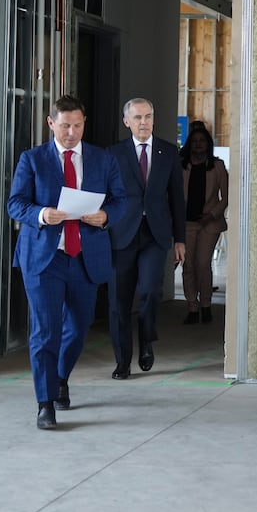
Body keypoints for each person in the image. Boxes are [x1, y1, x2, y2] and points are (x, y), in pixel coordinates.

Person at [7, 95, 126, 430]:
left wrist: (106, 216)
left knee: (77, 326)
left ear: (84, 123)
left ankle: (60, 377)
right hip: (45, 258)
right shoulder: (32, 159)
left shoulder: (103, 160)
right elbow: (15, 203)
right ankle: (45, 404)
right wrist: (41, 213)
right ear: (51, 123)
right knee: (46, 331)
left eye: (77, 125)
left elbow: (120, 200)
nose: (71, 133)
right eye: (64, 126)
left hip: (85, 256)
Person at [107, 98, 186, 379]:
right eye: (138, 117)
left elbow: (177, 197)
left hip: (155, 233)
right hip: (121, 234)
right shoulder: (114, 154)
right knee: (119, 301)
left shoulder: (169, 152)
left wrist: (180, 239)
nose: (144, 122)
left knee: (151, 291)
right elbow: (106, 195)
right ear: (126, 121)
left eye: (148, 116)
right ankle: (122, 361)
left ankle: (147, 340)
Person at [179, 123, 228, 324]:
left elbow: (226, 197)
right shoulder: (181, 166)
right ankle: (192, 306)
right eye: (195, 142)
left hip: (209, 223)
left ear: (208, 144)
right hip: (187, 223)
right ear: (189, 144)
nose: (198, 145)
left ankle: (206, 304)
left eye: (202, 141)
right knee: (188, 265)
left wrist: (213, 214)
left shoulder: (217, 166)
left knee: (202, 264)